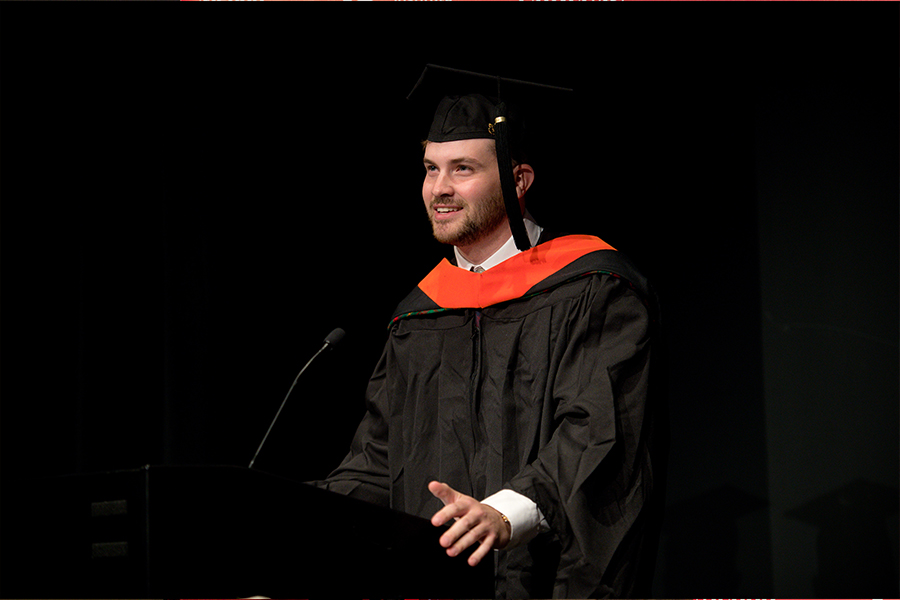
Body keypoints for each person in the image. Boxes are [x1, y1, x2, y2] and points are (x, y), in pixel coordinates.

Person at [315, 65, 665, 599]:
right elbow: (379, 460)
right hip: (434, 583)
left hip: (549, 581)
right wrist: (295, 522)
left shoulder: (591, 288)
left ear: (519, 180)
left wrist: (505, 513)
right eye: (431, 169)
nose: (440, 189)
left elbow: (598, 432)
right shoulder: (420, 317)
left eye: (462, 169)